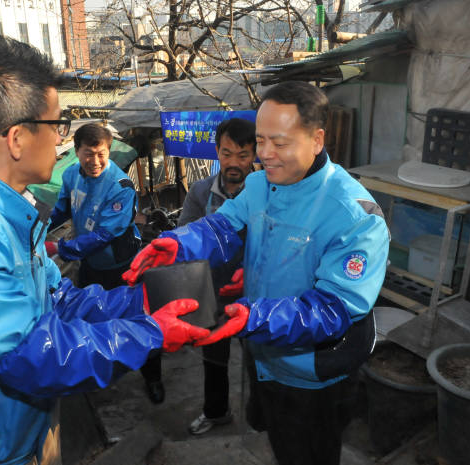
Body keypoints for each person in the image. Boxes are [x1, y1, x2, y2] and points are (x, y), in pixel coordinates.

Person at [0, 36, 209, 465]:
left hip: (12, 439)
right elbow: (33, 354)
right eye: (57, 125)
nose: (61, 140)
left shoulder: (9, 208)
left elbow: (59, 300)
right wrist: (151, 332)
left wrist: (149, 299)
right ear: (16, 138)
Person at [123, 81, 390, 465]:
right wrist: (180, 243)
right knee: (277, 439)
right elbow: (223, 226)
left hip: (313, 373)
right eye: (261, 141)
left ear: (316, 140)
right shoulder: (261, 184)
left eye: (279, 143)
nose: (264, 155)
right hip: (263, 353)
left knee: (312, 452)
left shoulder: (354, 216)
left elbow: (332, 311)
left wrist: (255, 316)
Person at [47, 123, 165, 404]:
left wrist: (59, 247)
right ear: (76, 152)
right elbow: (61, 210)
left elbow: (105, 235)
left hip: (123, 265)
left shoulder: (120, 186)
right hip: (91, 265)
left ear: (108, 151)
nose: (95, 161)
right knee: (91, 320)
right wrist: (36, 232)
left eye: (101, 153)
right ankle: (101, 371)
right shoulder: (71, 175)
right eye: (88, 154)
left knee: (139, 318)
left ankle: (153, 378)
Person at [177, 118, 257, 435]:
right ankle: (216, 411)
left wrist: (247, 269)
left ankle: (262, 415)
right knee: (214, 357)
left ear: (255, 155)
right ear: (217, 152)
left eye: (243, 155)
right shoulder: (200, 191)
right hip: (212, 291)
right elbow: (184, 234)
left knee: (259, 357)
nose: (234, 163)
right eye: (226, 154)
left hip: (255, 292)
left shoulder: (268, 192)